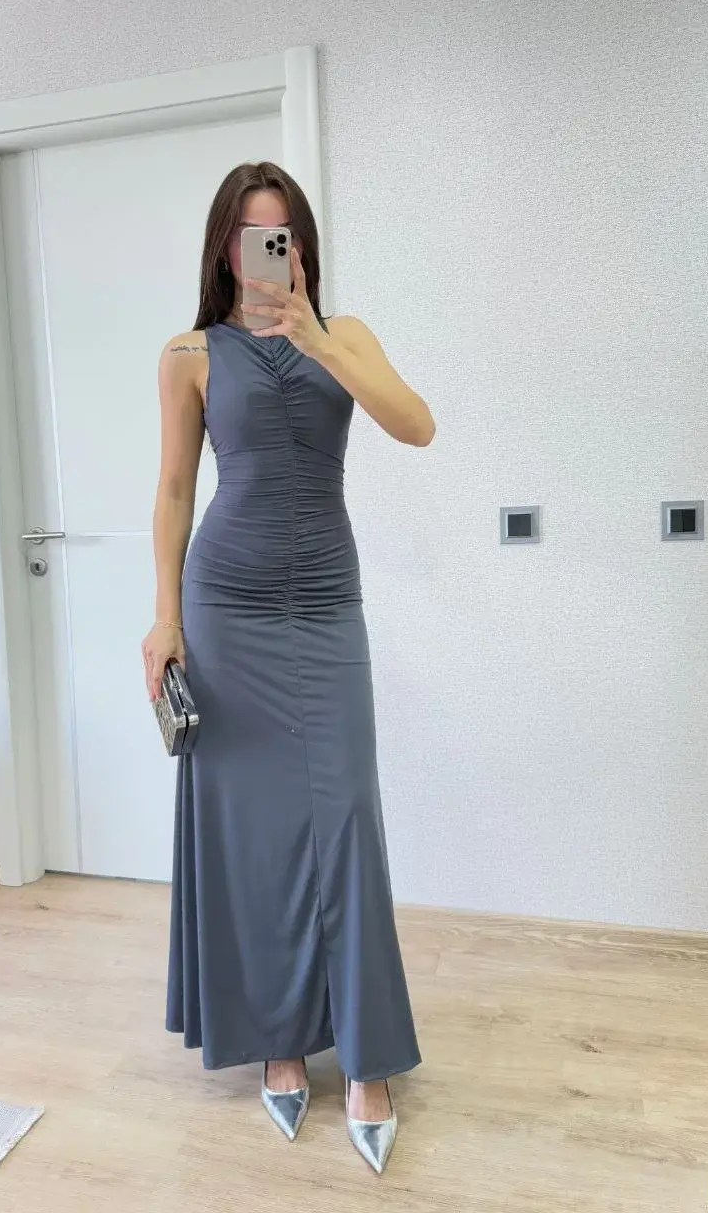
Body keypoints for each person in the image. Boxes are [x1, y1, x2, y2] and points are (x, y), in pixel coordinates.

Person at [142, 161, 435, 1174]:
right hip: (226, 609)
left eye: (285, 236)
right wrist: (164, 619)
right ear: (225, 249)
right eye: (250, 236)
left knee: (344, 816)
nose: (268, 253)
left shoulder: (344, 335)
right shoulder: (187, 353)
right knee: (254, 835)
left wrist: (314, 338)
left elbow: (416, 424)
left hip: (323, 606)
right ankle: (278, 1039)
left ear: (301, 247)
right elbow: (173, 490)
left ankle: (367, 1054)